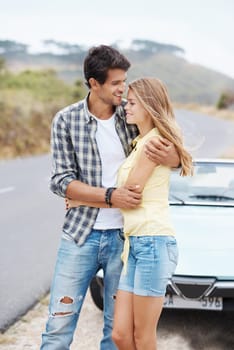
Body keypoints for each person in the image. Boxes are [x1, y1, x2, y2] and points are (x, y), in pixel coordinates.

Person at [40, 45, 180, 350]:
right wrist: (108, 197)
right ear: (94, 83)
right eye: (116, 83)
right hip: (81, 235)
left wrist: (175, 157)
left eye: (124, 81)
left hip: (126, 239)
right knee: (58, 325)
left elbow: (164, 142)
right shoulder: (67, 120)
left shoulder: (130, 115)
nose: (123, 89)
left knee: (117, 333)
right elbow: (60, 180)